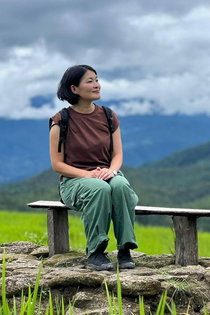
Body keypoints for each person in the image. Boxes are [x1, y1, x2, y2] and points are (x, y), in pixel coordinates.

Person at [49, 65, 139, 271]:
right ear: (74, 89)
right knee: (100, 189)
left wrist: (112, 171)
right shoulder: (61, 121)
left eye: (97, 80)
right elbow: (58, 165)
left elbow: (117, 154)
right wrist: (88, 175)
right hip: (74, 181)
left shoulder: (108, 116)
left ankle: (125, 249)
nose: (97, 85)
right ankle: (96, 252)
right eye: (90, 81)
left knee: (121, 186)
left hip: (107, 174)